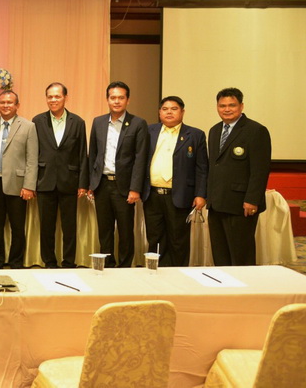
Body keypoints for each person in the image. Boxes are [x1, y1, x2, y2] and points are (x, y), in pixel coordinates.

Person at [207, 88, 271, 266]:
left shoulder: (256, 130)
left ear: (241, 106)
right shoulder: (214, 131)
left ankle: (245, 284)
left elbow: (260, 170)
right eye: (222, 106)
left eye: (232, 105)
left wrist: (252, 200)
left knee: (241, 255)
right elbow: (214, 166)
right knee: (220, 254)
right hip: (216, 204)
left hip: (240, 205)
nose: (227, 109)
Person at [141, 96, 208, 267]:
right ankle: (155, 272)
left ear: (182, 112)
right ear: (159, 112)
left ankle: (178, 274)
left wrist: (201, 194)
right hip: (152, 195)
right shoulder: (149, 131)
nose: (169, 112)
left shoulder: (195, 135)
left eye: (174, 109)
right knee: (155, 238)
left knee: (178, 240)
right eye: (165, 109)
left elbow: (202, 168)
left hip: (180, 195)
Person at [88, 81, 148, 268]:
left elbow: (140, 158)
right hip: (102, 184)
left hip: (124, 187)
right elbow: (93, 155)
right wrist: (91, 183)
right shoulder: (98, 122)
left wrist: (135, 188)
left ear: (127, 100)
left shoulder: (138, 123)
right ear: (107, 99)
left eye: (121, 98)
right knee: (104, 230)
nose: (116, 101)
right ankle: (106, 265)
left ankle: (124, 266)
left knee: (125, 230)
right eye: (113, 97)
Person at [33, 82, 89, 269]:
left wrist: (83, 183)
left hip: (69, 181)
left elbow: (82, 154)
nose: (53, 100)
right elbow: (32, 153)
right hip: (44, 180)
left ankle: (68, 262)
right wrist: (32, 182)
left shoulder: (78, 122)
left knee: (69, 227)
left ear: (65, 98)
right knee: (46, 227)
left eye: (57, 96)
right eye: (50, 96)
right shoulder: (37, 121)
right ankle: (49, 261)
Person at [0, 90, 37, 269]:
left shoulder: (28, 126)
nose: (6, 105)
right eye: (2, 102)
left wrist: (29, 186)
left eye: (10, 102)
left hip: (18, 185)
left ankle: (16, 263)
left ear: (17, 105)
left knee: (17, 228)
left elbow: (32, 159)